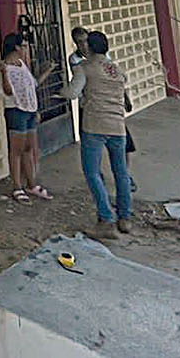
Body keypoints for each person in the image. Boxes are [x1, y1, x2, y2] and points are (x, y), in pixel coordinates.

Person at [60, 29, 132, 238]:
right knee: (121, 172)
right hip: (118, 126)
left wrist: (59, 93)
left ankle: (106, 219)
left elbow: (73, 92)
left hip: (95, 125)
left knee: (92, 172)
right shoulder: (117, 70)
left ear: (89, 47)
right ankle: (125, 217)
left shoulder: (85, 68)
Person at [70, 25, 138, 195]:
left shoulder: (100, 60)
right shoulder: (77, 61)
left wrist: (126, 99)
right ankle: (123, 211)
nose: (83, 46)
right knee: (97, 156)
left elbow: (115, 80)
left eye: (85, 41)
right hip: (94, 109)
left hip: (109, 110)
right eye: (79, 42)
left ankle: (109, 210)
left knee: (121, 152)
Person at [0, 31, 54, 203]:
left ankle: (31, 183)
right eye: (24, 46)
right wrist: (4, 73)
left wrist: (47, 71)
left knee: (28, 148)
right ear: (16, 47)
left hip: (28, 109)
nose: (26, 49)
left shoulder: (21, 64)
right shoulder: (7, 67)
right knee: (17, 150)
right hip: (16, 110)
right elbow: (8, 91)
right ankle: (17, 186)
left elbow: (32, 85)